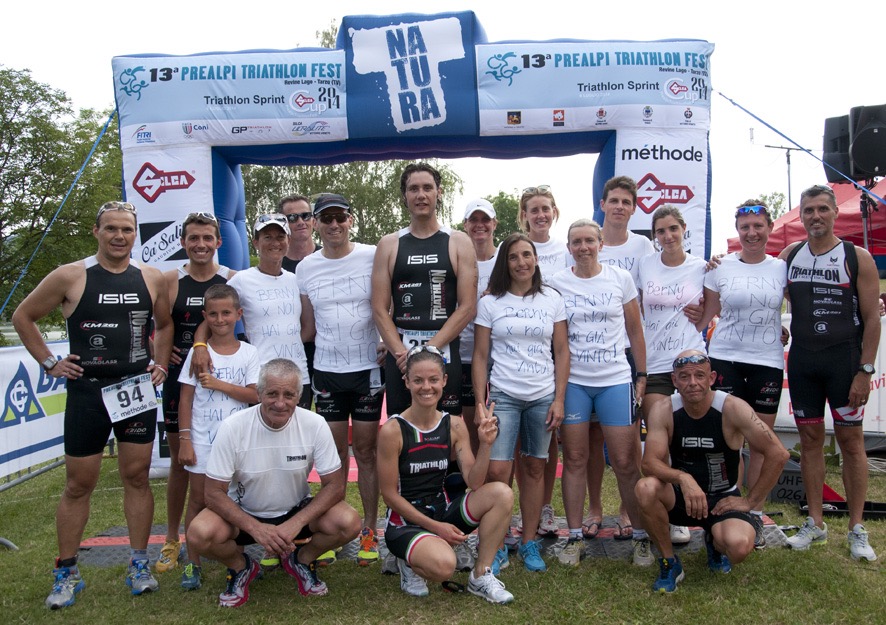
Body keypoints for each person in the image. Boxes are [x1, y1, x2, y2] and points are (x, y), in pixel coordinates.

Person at [12, 201, 172, 609]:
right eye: (112, 229)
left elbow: (165, 323)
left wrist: (160, 364)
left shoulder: (151, 277)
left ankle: (139, 564)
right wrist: (49, 362)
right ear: (96, 231)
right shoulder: (72, 274)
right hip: (88, 392)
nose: (120, 236)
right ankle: (66, 572)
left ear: (136, 234)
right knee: (78, 483)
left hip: (134, 389)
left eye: (127, 229)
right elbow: (23, 316)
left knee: (137, 477)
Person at [186, 359, 361, 607]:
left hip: (295, 512)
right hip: (244, 514)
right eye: (272, 394)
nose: (280, 403)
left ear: (300, 397)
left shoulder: (315, 424)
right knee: (199, 533)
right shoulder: (233, 427)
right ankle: (242, 566)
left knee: (349, 522)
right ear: (258, 393)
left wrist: (296, 523)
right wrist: (256, 528)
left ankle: (301, 559)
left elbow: (335, 486)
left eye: (289, 395)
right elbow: (213, 493)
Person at [778, 184, 881, 561]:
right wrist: (780, 328)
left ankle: (856, 529)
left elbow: (872, 320)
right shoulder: (789, 255)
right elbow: (770, 297)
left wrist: (864, 372)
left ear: (835, 213)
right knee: (809, 443)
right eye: (809, 211)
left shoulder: (858, 257)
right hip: (804, 361)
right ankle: (816, 524)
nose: (816, 216)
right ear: (801, 216)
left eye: (823, 209)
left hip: (844, 362)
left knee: (852, 443)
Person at [635, 350, 789, 593]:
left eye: (699, 375)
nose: (692, 383)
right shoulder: (664, 409)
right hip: (681, 496)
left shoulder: (733, 408)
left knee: (738, 548)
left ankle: (715, 544)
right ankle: (669, 562)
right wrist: (683, 478)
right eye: (684, 377)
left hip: (722, 499)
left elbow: (778, 454)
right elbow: (649, 464)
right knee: (645, 488)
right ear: (674, 381)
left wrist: (749, 501)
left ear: (712, 378)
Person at [378, 346, 515, 603]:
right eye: (418, 380)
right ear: (406, 382)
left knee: (502, 494)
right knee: (444, 566)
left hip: (441, 512)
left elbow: (474, 482)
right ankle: (409, 562)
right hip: (404, 524)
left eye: (433, 379)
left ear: (444, 380)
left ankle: (481, 574)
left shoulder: (454, 424)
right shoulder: (393, 430)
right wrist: (436, 528)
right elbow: (388, 495)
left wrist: (485, 444)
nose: (426, 387)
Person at [548, 219, 648, 567]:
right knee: (574, 460)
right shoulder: (557, 284)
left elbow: (636, 331)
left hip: (614, 379)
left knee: (624, 461)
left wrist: (642, 374)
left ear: (601, 243)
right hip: (574, 383)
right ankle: (574, 537)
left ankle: (639, 535)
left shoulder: (620, 278)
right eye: (577, 242)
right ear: (569, 247)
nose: (584, 247)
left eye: (590, 240)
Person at [472, 233, 570, 573]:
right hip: (504, 396)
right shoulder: (490, 303)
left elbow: (561, 351)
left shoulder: (552, 299)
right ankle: (497, 544)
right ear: (505, 263)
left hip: (542, 395)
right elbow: (481, 355)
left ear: (536, 259)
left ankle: (528, 541)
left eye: (527, 255)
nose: (522, 262)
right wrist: (481, 402)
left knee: (534, 467)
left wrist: (559, 398)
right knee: (498, 472)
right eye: (514, 257)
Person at [296, 193, 384, 566]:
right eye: (326, 219)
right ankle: (333, 529)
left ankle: (367, 528)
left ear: (351, 220)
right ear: (316, 224)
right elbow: (306, 327)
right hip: (328, 371)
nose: (333, 225)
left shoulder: (373, 254)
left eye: (340, 218)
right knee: (333, 458)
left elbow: (386, 304)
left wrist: (387, 340)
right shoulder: (305, 267)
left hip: (367, 370)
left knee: (365, 452)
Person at [697, 201, 787, 549]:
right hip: (726, 357)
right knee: (729, 440)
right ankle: (726, 510)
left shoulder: (781, 268)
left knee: (761, 440)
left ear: (769, 228)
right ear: (737, 230)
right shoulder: (720, 266)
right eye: (745, 227)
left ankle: (754, 510)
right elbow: (705, 314)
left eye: (758, 226)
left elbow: (800, 306)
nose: (751, 233)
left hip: (766, 360)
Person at [157, 211, 235, 574]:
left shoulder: (232, 279)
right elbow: (157, 325)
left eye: (207, 238)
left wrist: (202, 343)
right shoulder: (170, 281)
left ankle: (228, 535)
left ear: (218, 242)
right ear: (184, 242)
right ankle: (173, 539)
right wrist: (159, 353)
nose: (201, 245)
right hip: (181, 381)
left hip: (223, 383)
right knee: (181, 463)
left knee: (230, 463)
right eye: (193, 239)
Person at [371, 162, 478, 418]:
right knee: (401, 429)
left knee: (448, 430)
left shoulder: (458, 241)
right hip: (401, 353)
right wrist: (402, 354)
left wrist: (428, 350)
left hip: (443, 350)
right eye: (413, 189)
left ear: (438, 193)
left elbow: (467, 306)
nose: (421, 195)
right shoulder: (389, 244)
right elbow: (378, 306)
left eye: (427, 188)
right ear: (404, 195)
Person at [176, 284, 259, 590]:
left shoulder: (250, 352)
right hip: (202, 441)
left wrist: (218, 384)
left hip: (239, 445)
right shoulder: (198, 355)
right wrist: (185, 439)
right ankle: (193, 563)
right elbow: (185, 399)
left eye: (227, 313)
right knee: (197, 500)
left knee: (235, 500)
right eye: (213, 314)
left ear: (238, 314)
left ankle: (236, 558)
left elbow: (255, 394)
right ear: (205, 316)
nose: (220, 319)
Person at [635, 205, 706, 560]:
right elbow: (632, 309)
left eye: (673, 229)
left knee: (696, 437)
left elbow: (718, 307)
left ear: (683, 229)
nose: (667, 236)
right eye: (660, 231)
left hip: (693, 361)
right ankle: (673, 515)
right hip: (658, 365)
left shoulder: (703, 266)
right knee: (660, 443)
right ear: (654, 236)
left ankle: (709, 507)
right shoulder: (645, 264)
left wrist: (705, 315)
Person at [590, 175, 655, 544]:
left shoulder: (644, 246)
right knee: (593, 434)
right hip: (589, 352)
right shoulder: (586, 240)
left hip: (626, 352)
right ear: (603, 204)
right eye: (613, 200)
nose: (618, 207)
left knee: (629, 439)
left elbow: (665, 280)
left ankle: (628, 510)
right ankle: (596, 508)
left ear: (634, 208)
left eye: (625, 202)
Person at [193, 214, 312, 406]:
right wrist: (199, 347)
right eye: (268, 237)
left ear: (288, 241)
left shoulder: (295, 279)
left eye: (280, 237)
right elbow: (212, 318)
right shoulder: (241, 280)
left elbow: (306, 328)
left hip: (298, 375)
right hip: (261, 375)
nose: (275, 243)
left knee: (298, 435)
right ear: (256, 242)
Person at [518, 185, 572, 537]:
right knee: (512, 444)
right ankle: (514, 510)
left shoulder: (567, 250)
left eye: (546, 208)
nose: (540, 215)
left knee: (547, 439)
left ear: (555, 212)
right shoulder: (513, 248)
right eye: (533, 209)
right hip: (519, 354)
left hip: (561, 348)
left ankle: (545, 508)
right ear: (523, 215)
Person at [458, 198, 499, 453]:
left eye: (485, 219)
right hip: (463, 354)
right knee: (472, 425)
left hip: (500, 357)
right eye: (474, 220)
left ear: (494, 223)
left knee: (502, 427)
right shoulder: (457, 258)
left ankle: (500, 485)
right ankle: (478, 486)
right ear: (465, 225)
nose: (480, 225)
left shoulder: (504, 260)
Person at [280, 194, 321, 273]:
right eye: (292, 217)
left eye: (306, 216)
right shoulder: (276, 266)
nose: (301, 222)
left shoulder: (329, 259)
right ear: (283, 223)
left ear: (313, 220)